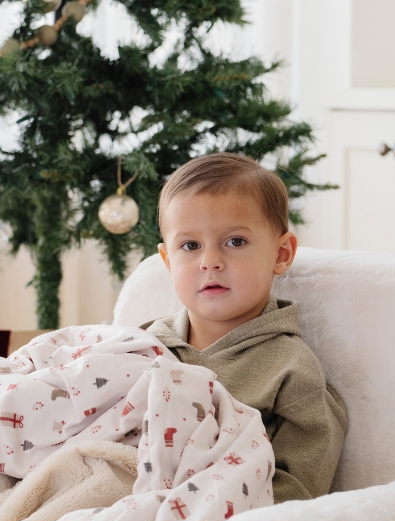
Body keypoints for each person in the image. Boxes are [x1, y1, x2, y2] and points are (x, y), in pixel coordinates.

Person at [142, 152, 349, 503]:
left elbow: (297, 489)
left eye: (235, 242)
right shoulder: (145, 344)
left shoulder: (291, 368)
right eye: (190, 246)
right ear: (167, 261)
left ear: (281, 254)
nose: (210, 262)